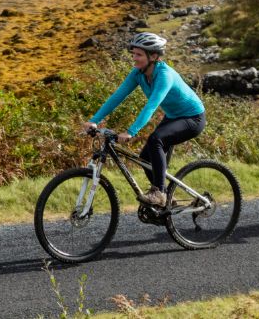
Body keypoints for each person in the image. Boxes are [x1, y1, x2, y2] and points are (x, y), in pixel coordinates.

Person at [86, 31, 206, 208]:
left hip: (193, 118)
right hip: (173, 116)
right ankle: (167, 200)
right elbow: (117, 96)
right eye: (133, 53)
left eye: (139, 55)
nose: (134, 58)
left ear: (154, 56)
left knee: (155, 140)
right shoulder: (138, 73)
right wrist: (94, 119)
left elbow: (151, 106)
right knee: (145, 158)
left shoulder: (165, 75)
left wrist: (131, 132)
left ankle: (159, 193)